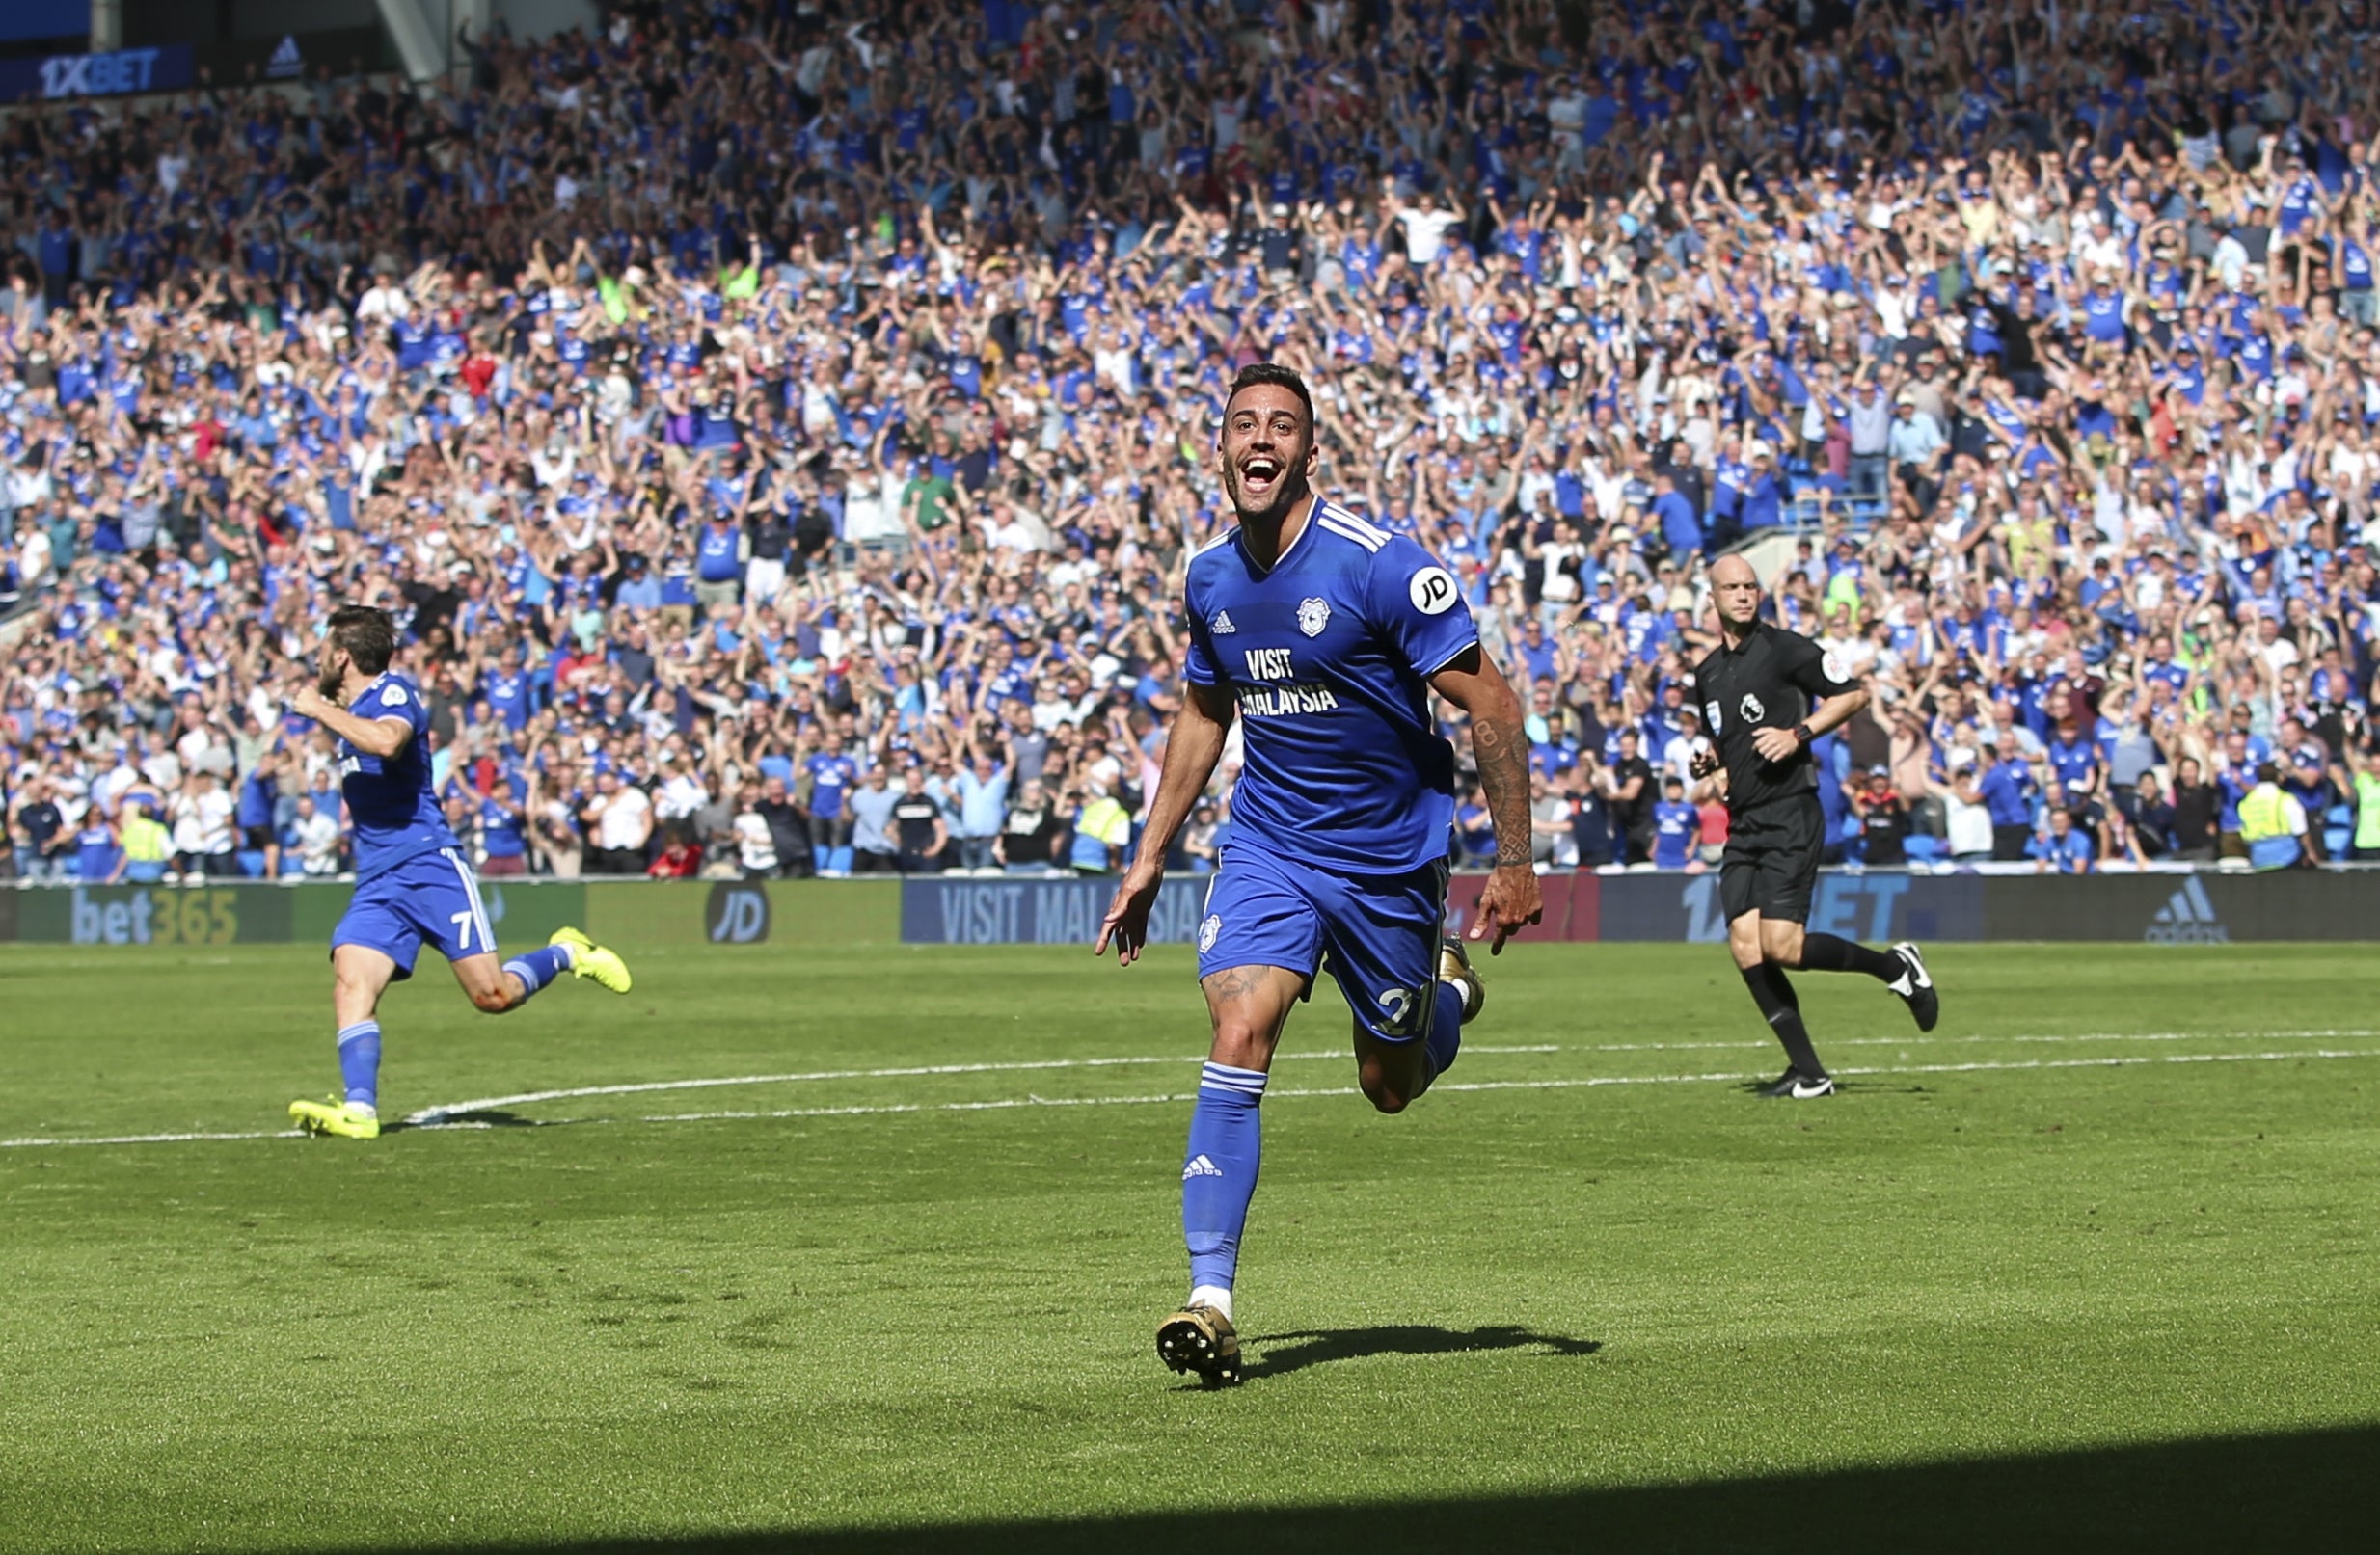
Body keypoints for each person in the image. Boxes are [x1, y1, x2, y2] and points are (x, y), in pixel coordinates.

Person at [1095, 363, 1541, 1387]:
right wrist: (1150, 854)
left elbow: (1494, 703)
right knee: (1238, 1023)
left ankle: (1447, 993)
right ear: (1220, 446)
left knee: (1388, 1084)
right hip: (1269, 845)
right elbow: (1206, 711)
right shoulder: (1209, 576)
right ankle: (1209, 1298)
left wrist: (1513, 860)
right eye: (1243, 423)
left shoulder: (1378, 567)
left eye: (1281, 426)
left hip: (1387, 862)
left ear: (1307, 450)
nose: (1260, 440)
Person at [284, 606, 632, 1141]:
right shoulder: (353, 707)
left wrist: (316, 709)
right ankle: (359, 1110)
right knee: (351, 982)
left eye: (324, 649)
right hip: (378, 880)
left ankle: (567, 953)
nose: (318, 660)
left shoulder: (393, 694)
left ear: (343, 656)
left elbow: (386, 742)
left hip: (428, 866)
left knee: (493, 997)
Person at [1689, 553, 1936, 1101]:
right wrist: (1713, 765)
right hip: (1744, 821)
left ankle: (1895, 966)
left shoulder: (1784, 649)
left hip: (1789, 812)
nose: (1743, 595)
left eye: (1750, 586)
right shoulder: (1707, 673)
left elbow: (1854, 695)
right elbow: (1729, 744)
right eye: (1731, 587)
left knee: (1782, 946)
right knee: (1745, 946)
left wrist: (1798, 733)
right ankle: (1810, 1073)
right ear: (1712, 597)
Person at [2236, 761, 2314, 871]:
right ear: (2279, 777)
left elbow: (2243, 829)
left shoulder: (2246, 801)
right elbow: (2300, 830)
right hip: (2287, 856)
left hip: (2258, 856)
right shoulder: (2285, 799)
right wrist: (2310, 852)